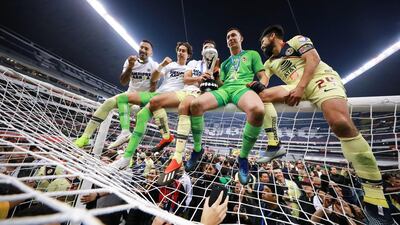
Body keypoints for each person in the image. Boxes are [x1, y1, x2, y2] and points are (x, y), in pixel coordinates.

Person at [250, 24, 393, 223]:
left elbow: (313, 59)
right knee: (261, 97)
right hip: (294, 85)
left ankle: (374, 191)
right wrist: (253, 86)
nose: (261, 44)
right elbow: (263, 83)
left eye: (262, 41)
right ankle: (275, 144)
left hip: (318, 77)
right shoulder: (269, 63)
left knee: (340, 123)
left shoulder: (296, 41)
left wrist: (301, 87)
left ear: (272, 36)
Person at [186, 28, 267, 185]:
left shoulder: (252, 54)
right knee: (195, 105)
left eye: (234, 36)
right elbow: (220, 84)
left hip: (242, 88)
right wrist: (213, 75)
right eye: (228, 36)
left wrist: (261, 85)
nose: (231, 38)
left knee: (257, 110)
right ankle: (197, 149)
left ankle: (242, 157)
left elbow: (263, 75)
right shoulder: (224, 63)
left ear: (241, 38)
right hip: (224, 90)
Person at [111, 42, 193, 169]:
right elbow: (154, 78)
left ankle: (166, 136)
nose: (180, 52)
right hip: (158, 95)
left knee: (147, 110)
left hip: (173, 96)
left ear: (188, 55)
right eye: (179, 50)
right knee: (137, 111)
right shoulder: (170, 65)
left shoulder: (189, 69)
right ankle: (126, 157)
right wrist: (162, 65)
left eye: (183, 51)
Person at [74, 40, 159, 149]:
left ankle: (129, 154)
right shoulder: (130, 61)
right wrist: (130, 67)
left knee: (140, 121)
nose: (143, 50)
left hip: (143, 100)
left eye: (146, 48)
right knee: (108, 102)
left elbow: (153, 91)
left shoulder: (154, 66)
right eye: (141, 47)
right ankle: (85, 138)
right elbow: (123, 81)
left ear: (151, 53)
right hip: (129, 95)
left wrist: (153, 83)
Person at [161, 40, 219, 180]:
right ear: (202, 51)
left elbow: (220, 85)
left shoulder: (218, 65)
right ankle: (195, 149)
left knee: (185, 106)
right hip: (188, 90)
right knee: (158, 103)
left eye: (211, 48)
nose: (208, 50)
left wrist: (215, 75)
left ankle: (178, 156)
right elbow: (186, 79)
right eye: (206, 48)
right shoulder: (193, 63)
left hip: (203, 93)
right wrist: (199, 78)